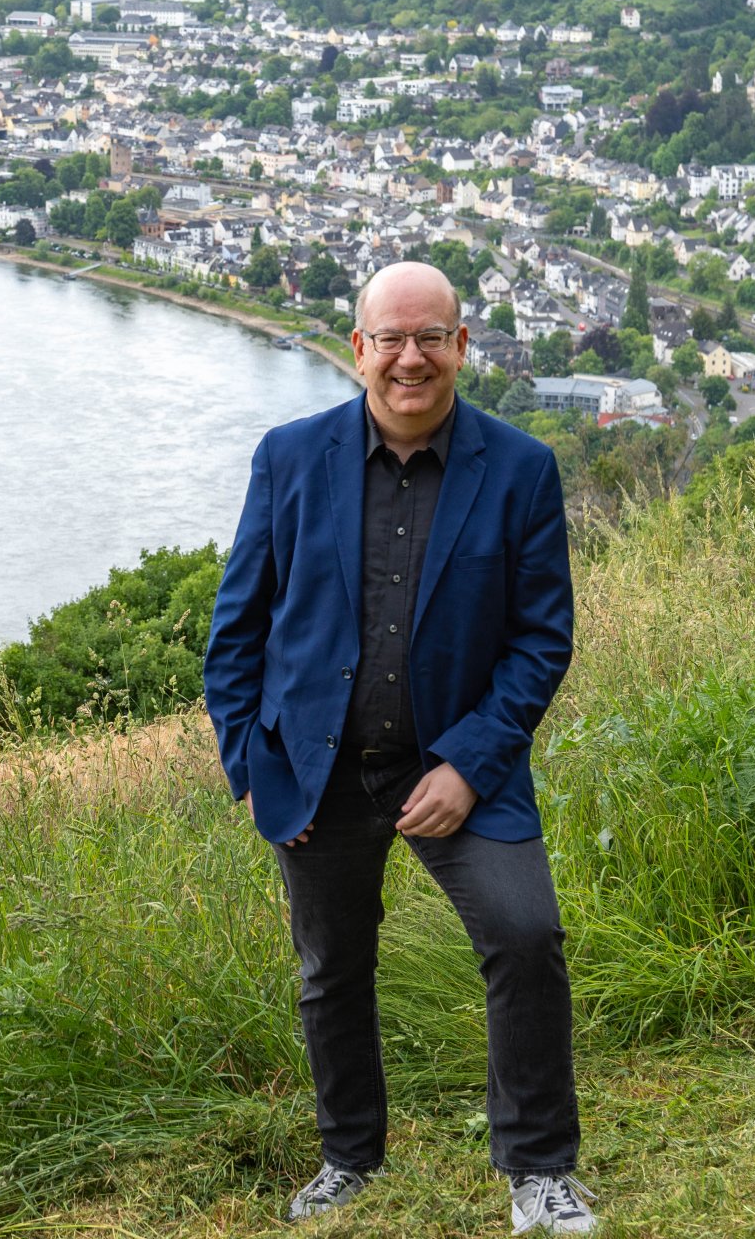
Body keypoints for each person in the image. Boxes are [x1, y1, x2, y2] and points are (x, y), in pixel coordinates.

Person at [203, 261, 597, 1233]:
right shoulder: (288, 457)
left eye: (431, 336)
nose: (410, 357)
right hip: (316, 764)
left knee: (526, 935)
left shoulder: (520, 469)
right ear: (359, 350)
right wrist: (252, 765)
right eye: (391, 339)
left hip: (460, 763)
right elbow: (236, 630)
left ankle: (540, 1169)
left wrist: (469, 764)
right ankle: (350, 1157)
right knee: (332, 966)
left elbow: (541, 638)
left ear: (463, 346)